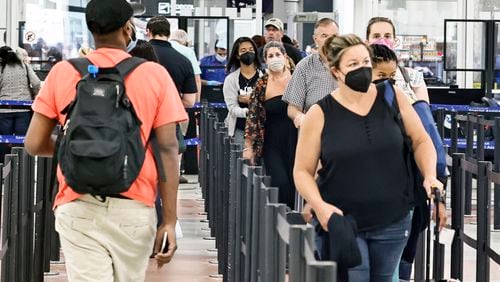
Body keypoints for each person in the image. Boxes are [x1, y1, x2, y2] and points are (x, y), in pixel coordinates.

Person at [24, 0, 188, 280]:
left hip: (76, 202)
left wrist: (75, 151)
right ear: (128, 29)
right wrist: (170, 221)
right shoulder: (154, 75)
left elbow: (34, 143)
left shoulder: (64, 73)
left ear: (90, 29)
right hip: (134, 206)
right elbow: (168, 147)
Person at [293, 34, 445, 281]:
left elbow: (420, 140)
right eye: (353, 65)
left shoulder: (392, 97)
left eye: (365, 62)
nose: (362, 69)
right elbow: (302, 171)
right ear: (336, 72)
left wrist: (429, 176)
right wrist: (320, 207)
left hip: (393, 218)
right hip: (343, 220)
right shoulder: (319, 114)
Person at [370, 43, 448, 282]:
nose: (387, 82)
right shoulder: (340, 105)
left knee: (398, 266)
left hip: (404, 201)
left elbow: (428, 144)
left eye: (391, 76)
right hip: (361, 207)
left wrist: (436, 189)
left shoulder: (406, 104)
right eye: (381, 75)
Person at [244, 41, 297, 209]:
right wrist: (249, 146)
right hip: (272, 142)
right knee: (280, 183)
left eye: (278, 55)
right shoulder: (262, 84)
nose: (275, 59)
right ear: (265, 60)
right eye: (270, 56)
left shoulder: (297, 78)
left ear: (285, 57)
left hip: (297, 138)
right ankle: (281, 221)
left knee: (296, 181)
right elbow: (253, 116)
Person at [147, 16, 196, 184]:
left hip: (140, 123)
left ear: (148, 32)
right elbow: (190, 100)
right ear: (168, 34)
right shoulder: (183, 60)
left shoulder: (136, 57)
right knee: (169, 175)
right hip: (170, 123)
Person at [283, 18, 339, 129]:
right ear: (315, 39)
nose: (331, 41)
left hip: (344, 130)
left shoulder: (349, 63)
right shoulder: (304, 67)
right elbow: (292, 108)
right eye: (324, 36)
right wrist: (301, 117)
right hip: (315, 131)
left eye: (334, 36)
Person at [366, 16, 429, 103]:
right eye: (376, 36)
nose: (382, 40)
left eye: (387, 36)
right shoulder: (359, 78)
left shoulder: (413, 77)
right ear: (367, 43)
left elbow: (423, 112)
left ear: (395, 41)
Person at [0, 46, 41, 160]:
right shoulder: (24, 66)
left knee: (4, 142)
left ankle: (4, 171)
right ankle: (20, 169)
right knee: (21, 142)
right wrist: (33, 95)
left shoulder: (1, 68)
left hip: (4, 110)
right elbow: (37, 83)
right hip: (23, 110)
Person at [223, 37, 262, 143]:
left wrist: (251, 100)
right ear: (237, 55)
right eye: (243, 51)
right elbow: (232, 108)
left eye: (251, 50)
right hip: (240, 130)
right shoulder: (231, 80)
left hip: (262, 130)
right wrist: (249, 112)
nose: (248, 53)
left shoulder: (265, 76)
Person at [170, 29, 202, 102]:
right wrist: (197, 102)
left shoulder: (163, 49)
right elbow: (196, 79)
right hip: (183, 96)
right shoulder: (188, 51)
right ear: (185, 41)